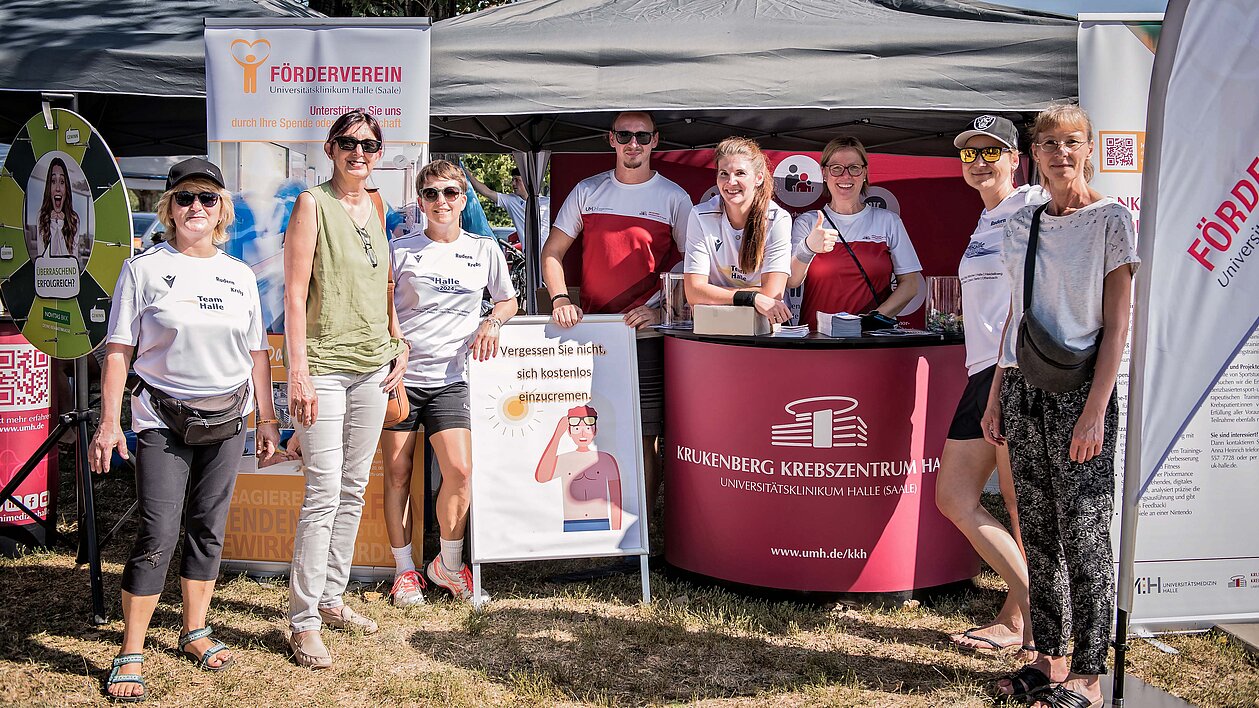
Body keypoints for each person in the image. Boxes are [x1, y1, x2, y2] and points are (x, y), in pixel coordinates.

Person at [89, 158, 281, 702]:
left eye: (208, 198)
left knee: (208, 528)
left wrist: (266, 419)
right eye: (184, 198)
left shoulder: (239, 274)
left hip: (226, 419)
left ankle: (194, 630)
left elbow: (258, 354)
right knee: (157, 534)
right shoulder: (144, 268)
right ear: (168, 208)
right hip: (161, 420)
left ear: (223, 210)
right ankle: (131, 650)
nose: (196, 207)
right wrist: (109, 424)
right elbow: (119, 352)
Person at [982, 104, 1138, 708]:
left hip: (1081, 391)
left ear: (1090, 148)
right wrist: (997, 394)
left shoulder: (1112, 221)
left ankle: (1090, 675)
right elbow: (1015, 321)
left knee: (1085, 532)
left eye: (1072, 142)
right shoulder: (1024, 224)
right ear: (1034, 153)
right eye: (1049, 143)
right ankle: (1049, 659)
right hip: (1025, 389)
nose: (1060, 153)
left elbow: (1117, 328)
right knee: (1040, 531)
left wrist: (1096, 409)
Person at [283, 109, 408, 668]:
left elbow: (382, 285)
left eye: (370, 144)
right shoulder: (313, 203)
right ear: (330, 149)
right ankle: (303, 620)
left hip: (373, 366)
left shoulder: (378, 204)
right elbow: (292, 296)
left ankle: (331, 599)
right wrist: (299, 373)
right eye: (349, 142)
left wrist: (397, 343)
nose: (360, 151)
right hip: (326, 368)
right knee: (323, 493)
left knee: (355, 487)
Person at [541, 111, 691, 524]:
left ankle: (638, 532)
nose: (634, 144)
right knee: (592, 434)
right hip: (591, 339)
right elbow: (551, 254)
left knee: (645, 437)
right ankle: (593, 522)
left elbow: (692, 268)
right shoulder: (587, 190)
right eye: (625, 135)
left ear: (655, 141)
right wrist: (558, 299)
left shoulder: (674, 198)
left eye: (642, 136)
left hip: (645, 338)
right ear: (611, 140)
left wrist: (660, 305)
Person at [381, 159, 517, 605]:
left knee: (460, 471)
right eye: (432, 194)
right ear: (420, 201)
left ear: (463, 199)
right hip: (399, 380)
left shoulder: (483, 249)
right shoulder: (400, 249)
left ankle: (448, 565)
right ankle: (404, 571)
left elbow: (507, 300)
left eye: (450, 193)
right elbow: (384, 309)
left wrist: (492, 322)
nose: (441, 201)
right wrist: (394, 345)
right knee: (398, 474)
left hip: (452, 379)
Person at [936, 115, 1047, 656]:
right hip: (983, 372)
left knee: (1015, 501)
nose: (979, 162)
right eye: (970, 154)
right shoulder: (988, 217)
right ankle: (1031, 610)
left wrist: (1007, 378)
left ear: (1016, 158)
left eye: (991, 152)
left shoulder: (1030, 206)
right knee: (958, 497)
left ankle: (1032, 617)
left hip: (1014, 372)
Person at [788, 136, 923, 330]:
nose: (845, 176)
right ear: (824, 173)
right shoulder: (808, 222)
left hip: (872, 342)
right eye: (836, 168)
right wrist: (808, 247)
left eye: (854, 168)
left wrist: (875, 319)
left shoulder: (888, 221)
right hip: (817, 342)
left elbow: (910, 284)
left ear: (865, 173)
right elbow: (792, 281)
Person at [682, 136, 792, 326]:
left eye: (740, 173)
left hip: (765, 327)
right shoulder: (700, 215)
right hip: (716, 324)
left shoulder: (777, 219)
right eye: (723, 173)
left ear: (758, 178)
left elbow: (772, 294)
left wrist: (715, 292)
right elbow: (693, 292)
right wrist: (752, 298)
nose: (731, 182)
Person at [534, 405, 623, 533]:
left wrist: (617, 532)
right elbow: (542, 476)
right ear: (569, 432)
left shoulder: (606, 459)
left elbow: (616, 501)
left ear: (595, 430)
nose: (582, 433)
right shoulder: (564, 460)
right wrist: (557, 435)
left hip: (600, 521)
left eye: (588, 428)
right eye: (576, 429)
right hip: (572, 523)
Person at [467, 166, 552, 249]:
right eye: (512, 180)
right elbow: (487, 192)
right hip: (530, 256)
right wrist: (466, 172)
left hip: (549, 253)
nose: (513, 184)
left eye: (517, 180)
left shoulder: (547, 202)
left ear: (527, 183)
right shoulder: (511, 201)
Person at [36, 158, 81, 262]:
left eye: (62, 182)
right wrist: (53, 226)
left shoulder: (74, 219)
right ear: (48, 187)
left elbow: (72, 262)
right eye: (53, 181)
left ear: (66, 187)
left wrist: (60, 227)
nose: (57, 188)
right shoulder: (41, 217)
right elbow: (43, 261)